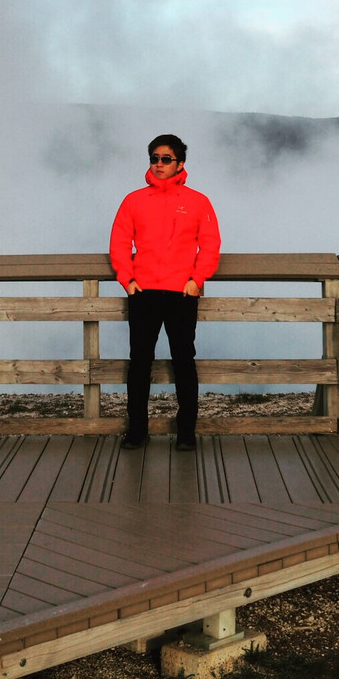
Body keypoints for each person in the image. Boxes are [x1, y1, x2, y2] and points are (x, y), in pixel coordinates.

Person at [109, 134, 221, 451]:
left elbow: (211, 244)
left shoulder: (198, 202)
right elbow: (119, 242)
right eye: (154, 158)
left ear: (180, 164)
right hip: (143, 292)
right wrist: (127, 280)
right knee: (140, 362)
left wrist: (196, 280)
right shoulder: (134, 200)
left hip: (181, 294)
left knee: (183, 361)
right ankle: (137, 430)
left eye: (166, 159)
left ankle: (186, 432)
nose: (159, 164)